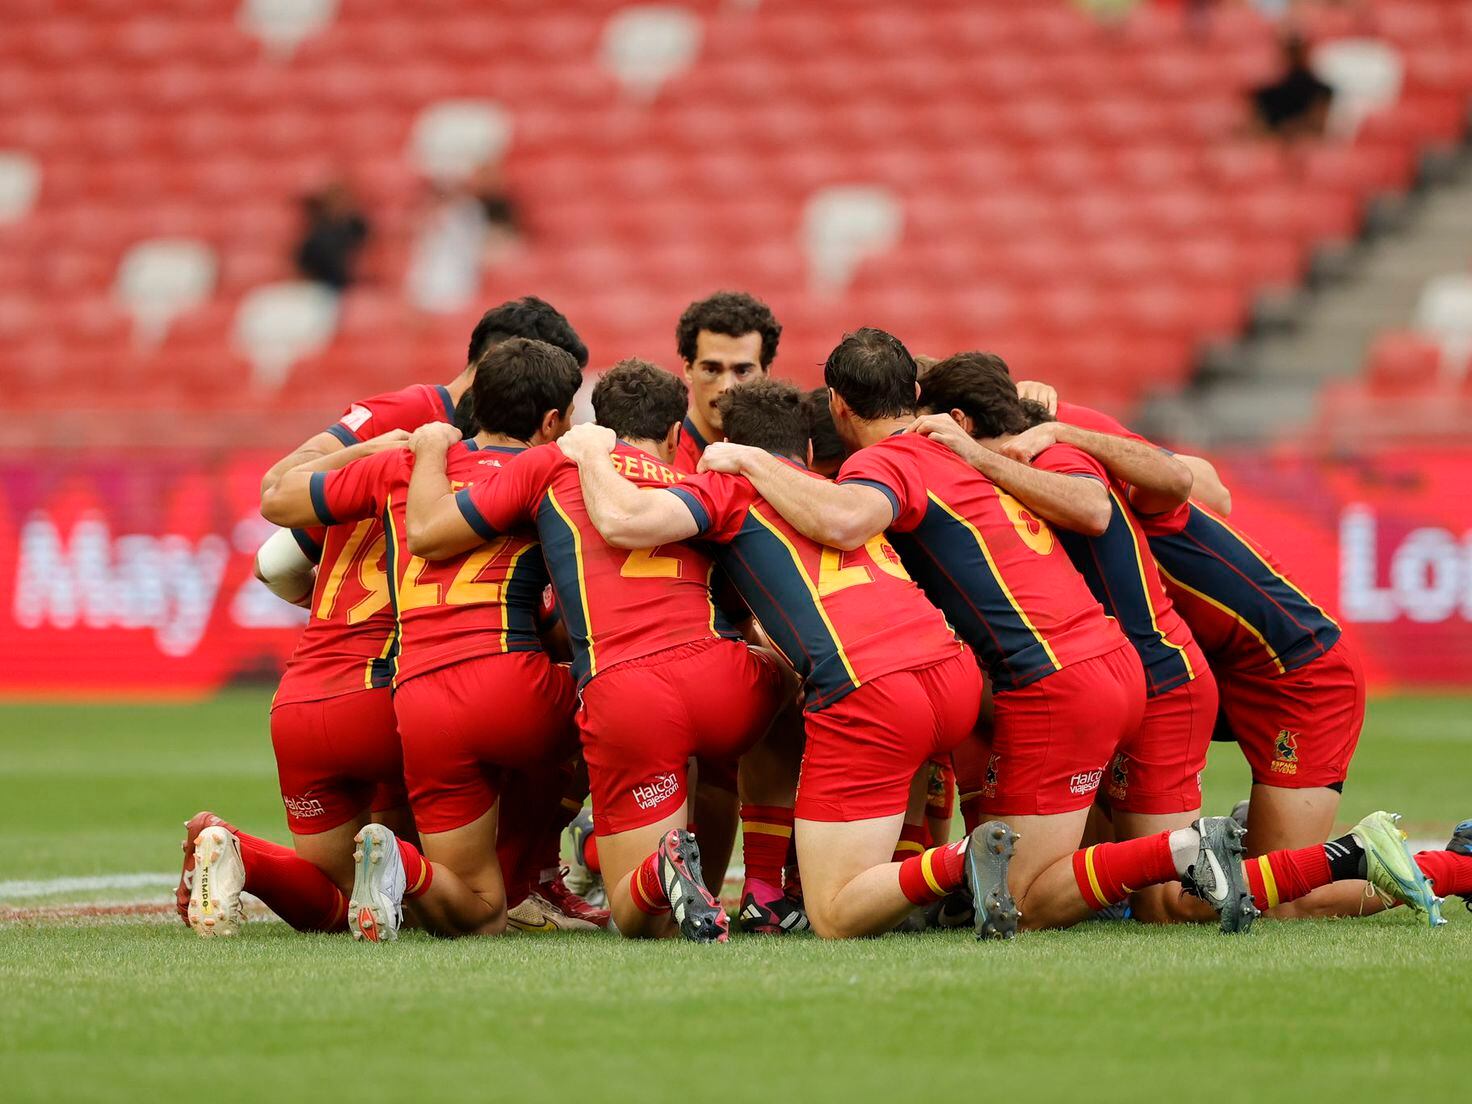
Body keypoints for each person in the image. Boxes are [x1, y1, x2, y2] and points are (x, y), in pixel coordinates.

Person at [697, 328, 1253, 937]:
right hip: (1108, 658)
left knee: (1026, 901)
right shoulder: (954, 447)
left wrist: (747, 459)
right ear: (913, 392)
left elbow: (846, 520)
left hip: (1056, 681)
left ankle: (1181, 851)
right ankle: (1187, 853)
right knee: (1078, 874)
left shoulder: (885, 459)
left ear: (836, 405)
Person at [913, 354, 1448, 928]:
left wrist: (1058, 428)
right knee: (1174, 875)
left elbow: (1196, 486)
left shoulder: (1064, 450)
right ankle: (1228, 847)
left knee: (1279, 900)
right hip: (1205, 665)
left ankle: (1429, 864)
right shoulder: (1033, 475)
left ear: (961, 421)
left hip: (1295, 671)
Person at [177, 298, 588, 939]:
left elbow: (274, 552)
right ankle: (530, 880)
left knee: (345, 901)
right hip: (387, 687)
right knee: (602, 707)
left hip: (305, 696)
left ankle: (234, 850)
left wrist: (373, 466)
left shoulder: (397, 457)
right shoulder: (495, 450)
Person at [555, 379, 991, 938]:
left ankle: (952, 862)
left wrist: (592, 450)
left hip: (873, 687)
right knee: (790, 681)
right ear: (808, 452)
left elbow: (624, 521)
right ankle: (858, 879)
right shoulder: (838, 488)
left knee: (834, 913)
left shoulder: (726, 487)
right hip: (952, 673)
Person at [404, 359, 787, 943]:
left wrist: (435, 448)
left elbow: (429, 532)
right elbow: (754, 603)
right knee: (796, 679)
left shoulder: (552, 464)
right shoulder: (692, 483)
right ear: (674, 434)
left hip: (626, 694)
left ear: (595, 425)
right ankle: (768, 884)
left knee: (639, 922)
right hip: (722, 682)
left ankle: (654, 871)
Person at [671, 290, 789, 912]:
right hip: (660, 646)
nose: (726, 384)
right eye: (711, 368)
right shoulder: (656, 451)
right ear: (686, 368)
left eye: (743, 369)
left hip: (742, 643)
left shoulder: (785, 446)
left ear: (766, 372)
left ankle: (754, 891)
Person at [1251, 33, 1333, 139]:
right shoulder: (1264, 93)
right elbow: (1261, 128)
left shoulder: (1322, 91)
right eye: (1290, 50)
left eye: (1298, 50)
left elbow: (1319, 127)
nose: (1294, 56)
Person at [294, 180, 369, 291]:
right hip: (321, 287)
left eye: (342, 199)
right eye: (335, 199)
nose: (339, 203)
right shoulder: (317, 236)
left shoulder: (358, 228)